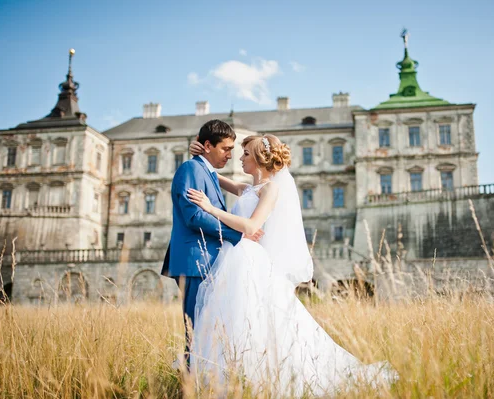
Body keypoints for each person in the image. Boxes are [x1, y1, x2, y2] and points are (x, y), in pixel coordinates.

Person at [187, 134, 398, 396]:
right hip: (235, 259)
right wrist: (199, 155)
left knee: (256, 319)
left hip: (249, 260)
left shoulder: (270, 189)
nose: (239, 158)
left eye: (245, 155)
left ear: (259, 159)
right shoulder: (248, 188)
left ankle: (260, 377)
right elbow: (214, 176)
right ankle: (231, 377)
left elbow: (252, 226)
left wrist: (211, 208)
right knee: (233, 319)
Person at [160, 119, 263, 370]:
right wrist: (238, 235)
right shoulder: (190, 169)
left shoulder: (206, 172)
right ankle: (189, 381)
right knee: (195, 329)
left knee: (206, 328)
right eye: (226, 148)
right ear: (207, 145)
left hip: (207, 259)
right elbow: (194, 216)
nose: (231, 154)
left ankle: (202, 377)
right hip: (196, 260)